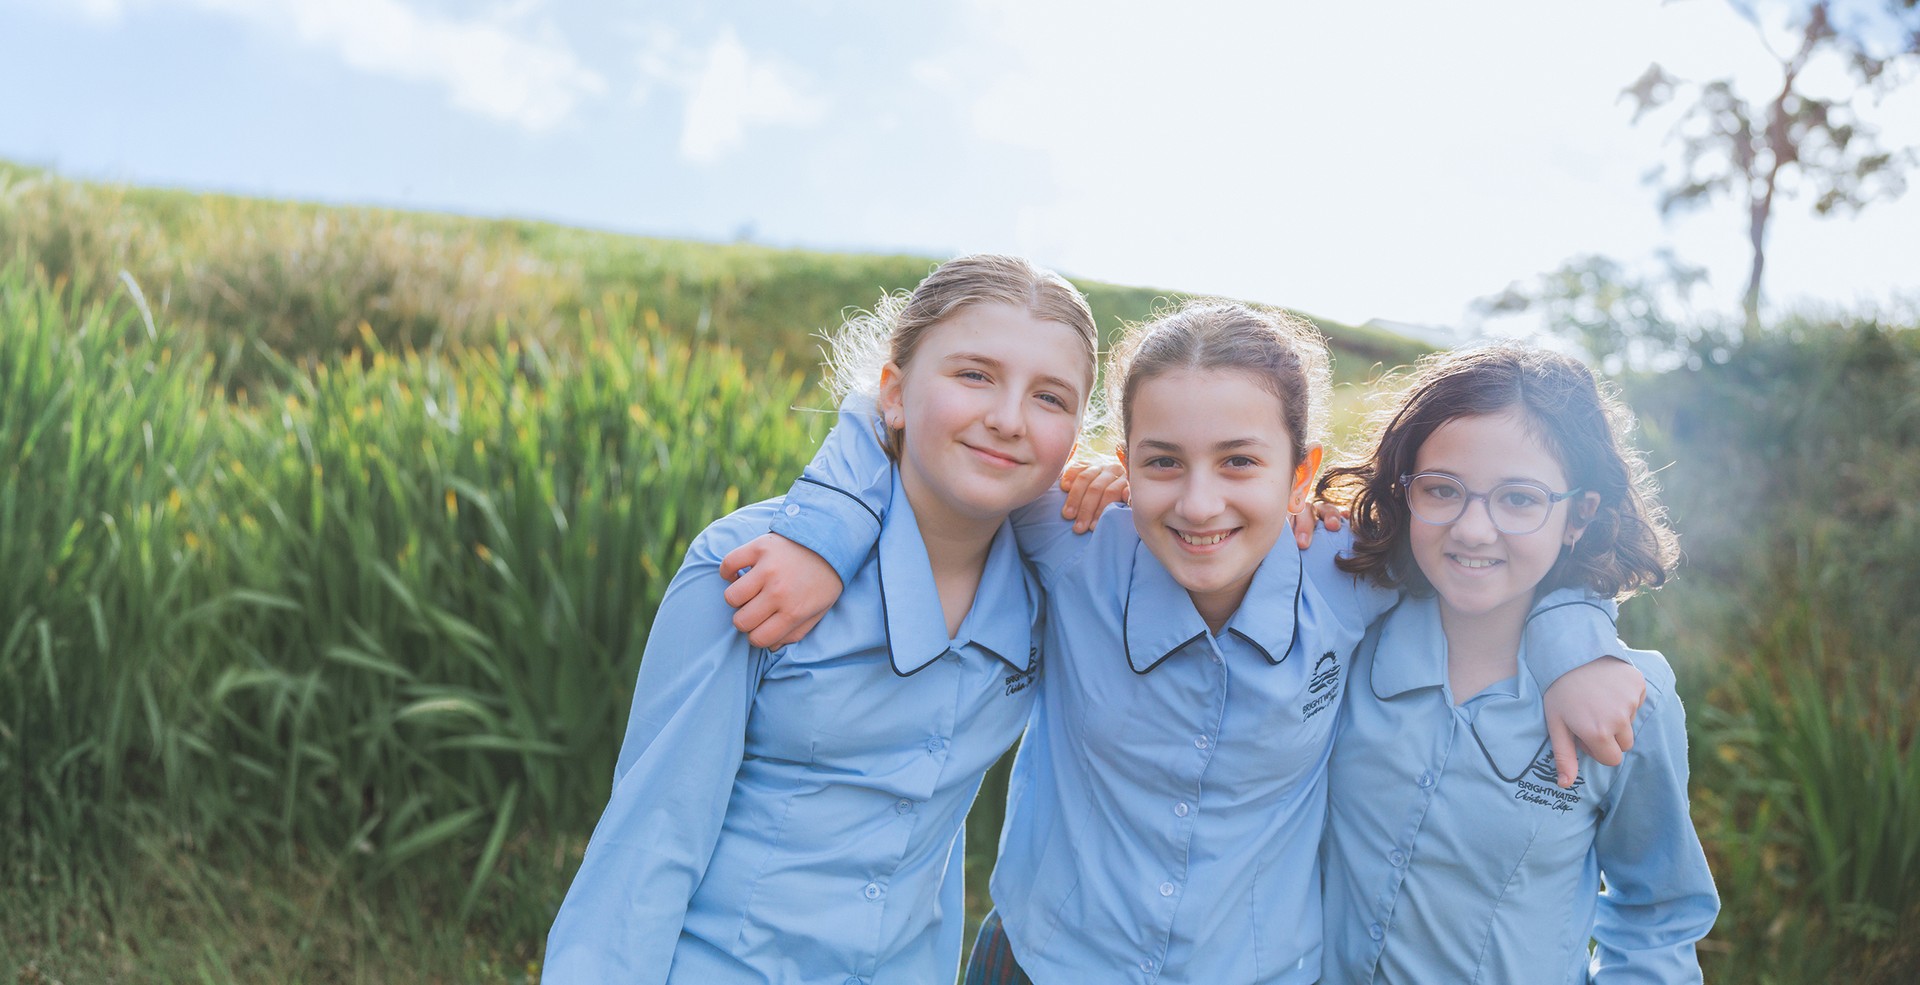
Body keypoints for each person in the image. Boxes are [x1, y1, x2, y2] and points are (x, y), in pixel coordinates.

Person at [724, 300, 1645, 984]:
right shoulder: (1072, 536)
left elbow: (1498, 552)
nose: (1199, 504)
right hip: (1043, 963)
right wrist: (822, 533)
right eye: (1162, 461)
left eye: (1240, 460)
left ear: (1304, 470)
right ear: (1121, 461)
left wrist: (1576, 639)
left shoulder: (1351, 567)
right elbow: (906, 435)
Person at [541, 254, 1101, 984]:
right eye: (974, 375)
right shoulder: (750, 565)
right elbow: (651, 836)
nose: (1007, 418)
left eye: (1050, 398)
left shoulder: (1050, 595)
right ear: (893, 396)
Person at [1315, 343, 1719, 982]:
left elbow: (1659, 914)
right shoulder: (1337, 636)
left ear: (1579, 516)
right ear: (1404, 491)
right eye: (1442, 489)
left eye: (1520, 500)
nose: (1474, 530)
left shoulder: (1631, 702)